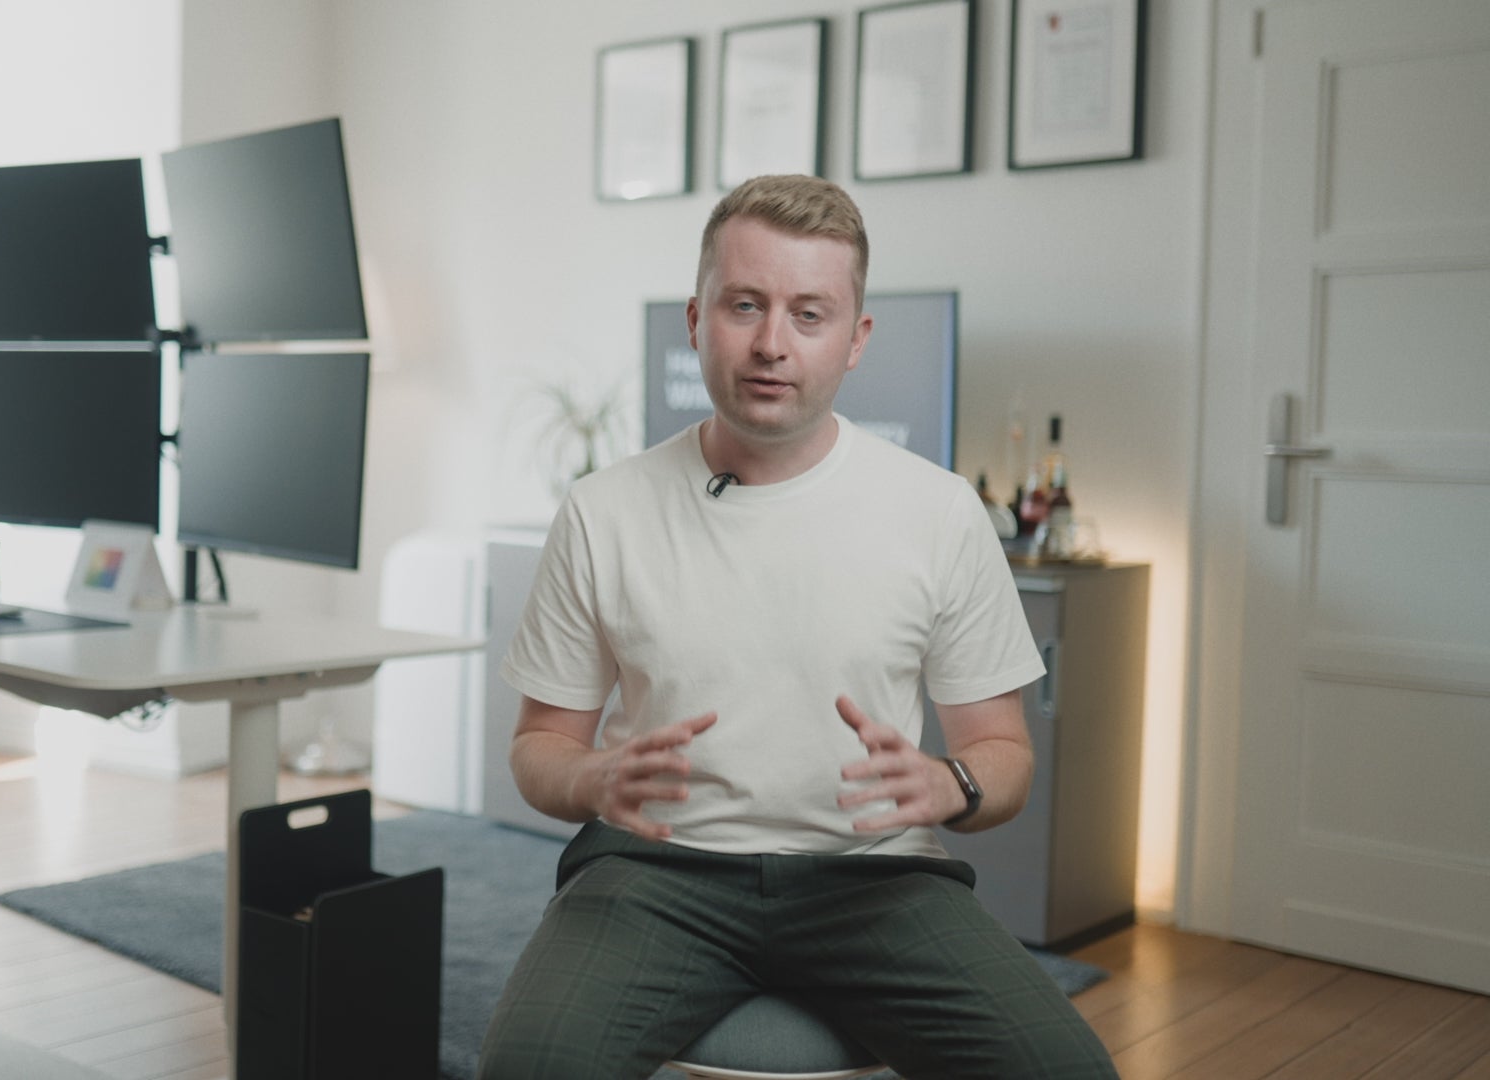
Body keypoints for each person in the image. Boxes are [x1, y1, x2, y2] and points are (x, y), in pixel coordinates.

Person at [476, 175, 1118, 1080]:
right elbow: (539, 747)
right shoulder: (602, 510)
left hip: (876, 877)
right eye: (745, 305)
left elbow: (1004, 754)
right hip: (654, 873)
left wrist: (950, 783)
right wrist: (593, 777)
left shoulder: (940, 512)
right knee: (528, 1068)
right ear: (697, 320)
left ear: (855, 339)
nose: (772, 343)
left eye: (809, 315)